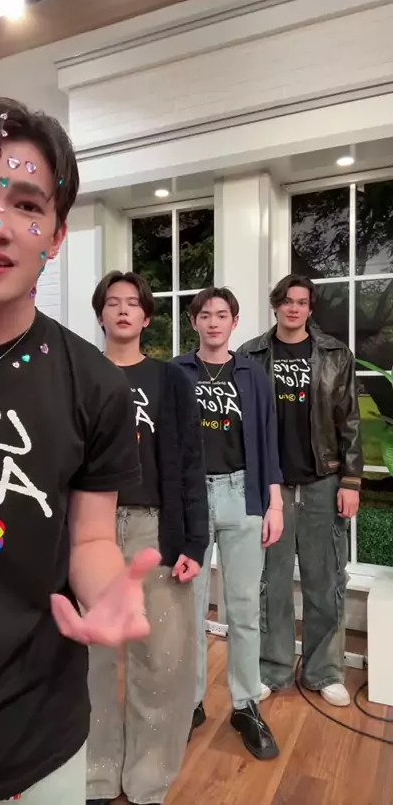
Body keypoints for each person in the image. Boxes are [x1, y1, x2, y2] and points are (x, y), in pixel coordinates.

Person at [0, 97, 161, 805]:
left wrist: (108, 590)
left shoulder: (95, 384)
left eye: (26, 205)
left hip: (35, 736)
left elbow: (90, 538)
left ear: (55, 234)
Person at [87, 270, 209, 805]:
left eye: (132, 303)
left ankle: (147, 779)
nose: (122, 310)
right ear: (100, 314)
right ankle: (94, 772)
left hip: (154, 527)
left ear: (146, 316)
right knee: (90, 660)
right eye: (112, 302)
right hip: (90, 528)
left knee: (160, 660)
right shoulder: (81, 373)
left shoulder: (170, 379)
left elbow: (190, 462)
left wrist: (194, 542)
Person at [238, 274, 363, 708]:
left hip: (322, 481)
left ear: (310, 308)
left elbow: (349, 420)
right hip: (271, 486)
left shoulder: (335, 354)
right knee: (270, 582)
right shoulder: (250, 354)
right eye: (287, 301)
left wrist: (351, 480)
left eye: (302, 302)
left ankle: (324, 671)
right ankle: (272, 669)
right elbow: (242, 424)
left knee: (324, 580)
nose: (294, 308)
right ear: (276, 305)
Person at [174, 286, 283, 761]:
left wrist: (274, 504)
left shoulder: (253, 374)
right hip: (191, 500)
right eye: (206, 315)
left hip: (243, 495)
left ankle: (245, 705)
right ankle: (190, 702)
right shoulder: (176, 373)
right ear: (194, 322)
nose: (214, 322)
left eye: (222, 315)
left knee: (243, 609)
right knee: (189, 610)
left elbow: (269, 440)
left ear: (234, 322)